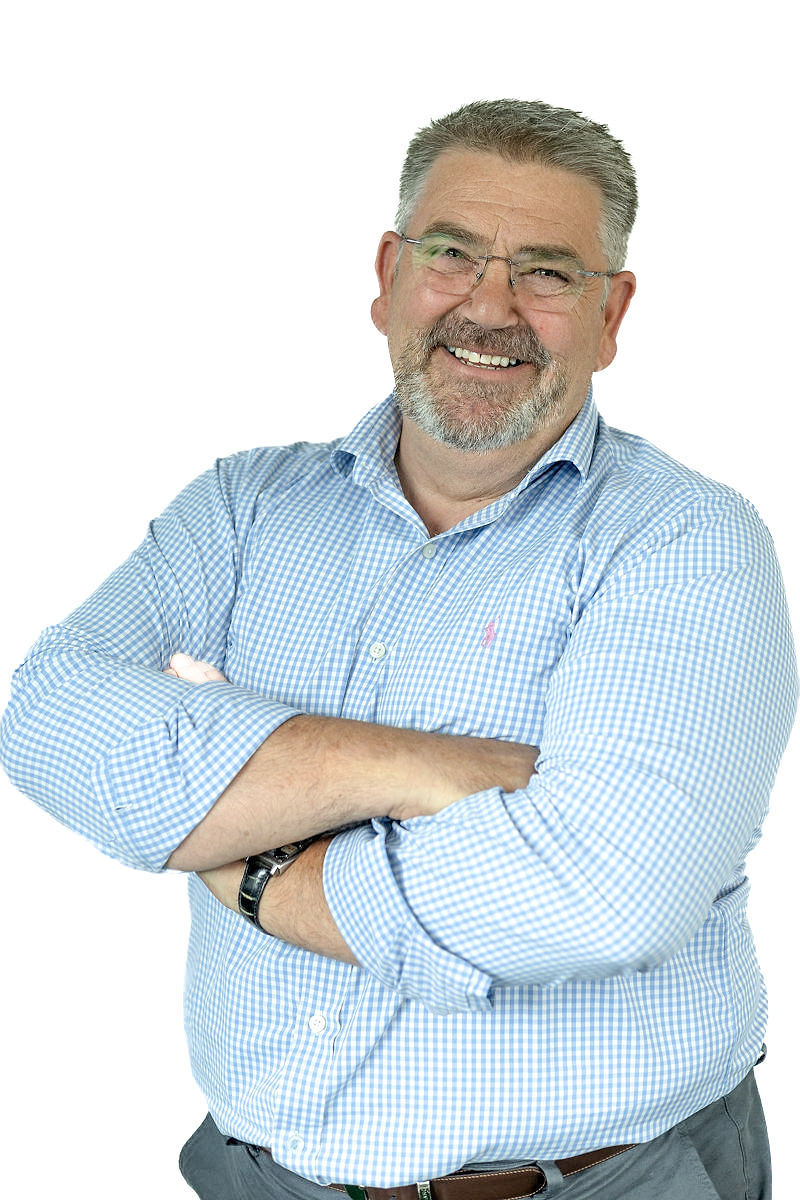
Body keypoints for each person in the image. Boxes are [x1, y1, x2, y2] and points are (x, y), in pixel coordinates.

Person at [1, 99, 796, 1199]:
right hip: (256, 1176)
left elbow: (604, 894)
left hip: (598, 1181)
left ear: (611, 313)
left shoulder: (683, 541)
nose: (489, 306)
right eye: (451, 253)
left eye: (547, 273)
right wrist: (420, 768)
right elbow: (45, 718)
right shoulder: (242, 509)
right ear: (387, 274)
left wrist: (253, 869)